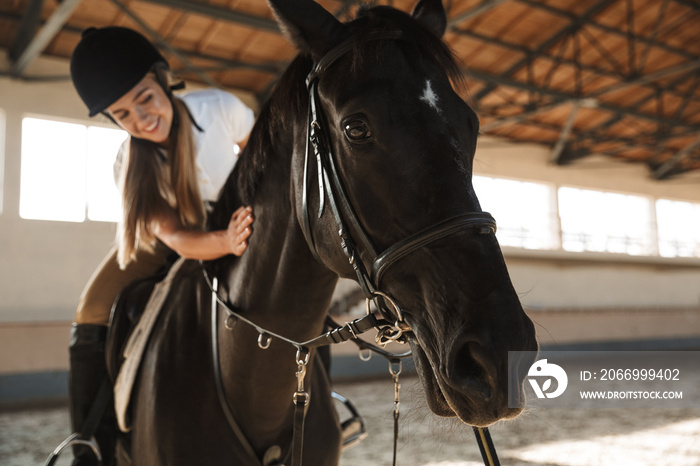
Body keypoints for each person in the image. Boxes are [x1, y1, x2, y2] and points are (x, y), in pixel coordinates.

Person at [68, 26, 255, 465]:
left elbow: (256, 154)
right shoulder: (128, 164)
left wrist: (245, 223)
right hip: (175, 241)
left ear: (162, 78)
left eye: (145, 99)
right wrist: (224, 242)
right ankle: (89, 445)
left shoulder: (221, 108)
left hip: (239, 216)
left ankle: (326, 401)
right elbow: (176, 238)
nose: (141, 119)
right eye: (122, 115)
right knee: (91, 308)